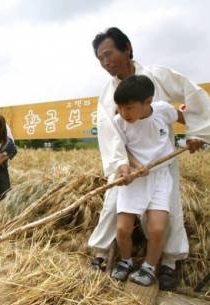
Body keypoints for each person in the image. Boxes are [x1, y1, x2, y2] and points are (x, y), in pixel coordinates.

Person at [87, 27, 210, 290]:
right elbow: (110, 135)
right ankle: (100, 254)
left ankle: (168, 262)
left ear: (127, 48)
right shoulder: (108, 96)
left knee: (169, 213)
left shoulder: (157, 76)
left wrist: (197, 132)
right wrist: (123, 165)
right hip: (129, 166)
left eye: (109, 54)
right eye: (100, 59)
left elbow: (191, 96)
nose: (106, 63)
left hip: (161, 165)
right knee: (112, 206)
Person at [110, 75, 188, 286]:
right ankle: (125, 262)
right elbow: (122, 149)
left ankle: (149, 267)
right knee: (123, 230)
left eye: (129, 108)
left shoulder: (162, 110)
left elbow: (182, 117)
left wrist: (198, 133)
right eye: (120, 108)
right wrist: (133, 166)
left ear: (148, 101)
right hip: (134, 178)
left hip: (161, 177)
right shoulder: (119, 122)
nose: (124, 113)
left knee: (157, 229)